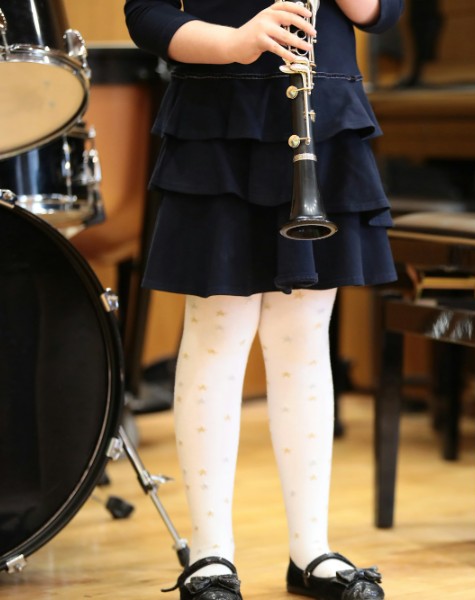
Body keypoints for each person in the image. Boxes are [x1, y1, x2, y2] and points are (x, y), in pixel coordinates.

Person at [123, 1, 402, 598]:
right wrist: (235, 42)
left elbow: (382, 12)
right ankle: (210, 554)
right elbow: (145, 14)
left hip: (322, 118)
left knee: (304, 339)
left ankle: (311, 550)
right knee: (218, 331)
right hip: (217, 117)